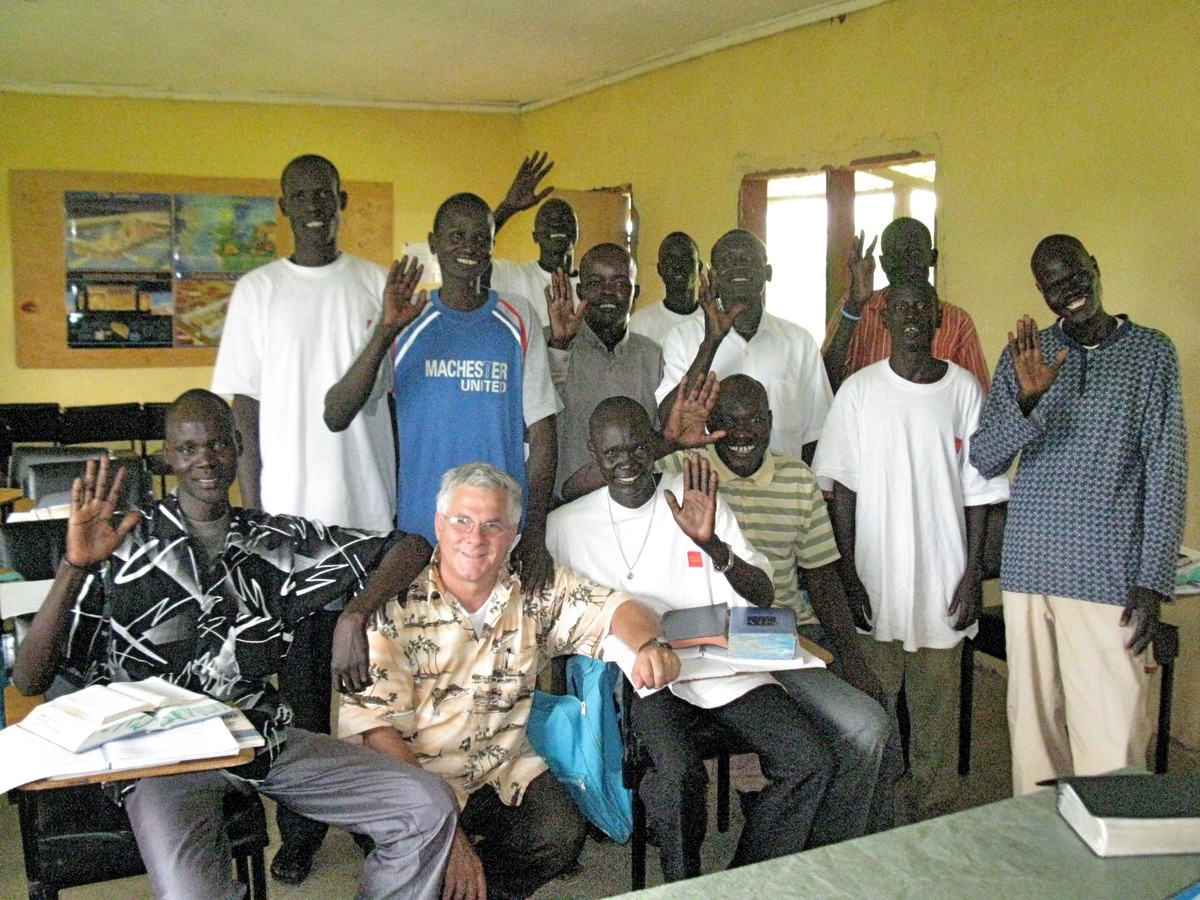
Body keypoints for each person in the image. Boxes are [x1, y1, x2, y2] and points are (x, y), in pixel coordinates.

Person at [11, 390, 457, 900]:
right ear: (168, 456)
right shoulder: (123, 543)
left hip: (254, 735)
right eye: (189, 448)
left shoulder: (277, 541)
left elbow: (410, 547)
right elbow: (29, 679)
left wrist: (354, 613)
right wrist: (74, 567)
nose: (206, 459)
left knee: (426, 804)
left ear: (239, 446)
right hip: (159, 759)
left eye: (219, 444)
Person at [339, 461, 679, 899]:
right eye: (461, 521)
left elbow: (617, 609)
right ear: (439, 525)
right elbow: (378, 735)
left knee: (558, 833)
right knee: (427, 861)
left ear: (514, 535)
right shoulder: (395, 605)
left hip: (497, 766)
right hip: (410, 775)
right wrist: (451, 838)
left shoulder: (531, 589)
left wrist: (650, 644)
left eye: (492, 525)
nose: (475, 538)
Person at [547, 397, 839, 882]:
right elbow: (559, 616)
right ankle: (684, 886)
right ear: (593, 453)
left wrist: (713, 546)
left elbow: (763, 595)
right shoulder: (567, 525)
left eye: (638, 448)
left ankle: (745, 877)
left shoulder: (693, 497)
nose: (626, 463)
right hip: (647, 678)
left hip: (723, 665)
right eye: (612, 453)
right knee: (680, 774)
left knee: (810, 760)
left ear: (656, 444)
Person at [210, 153, 397, 881]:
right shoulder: (257, 292)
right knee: (298, 698)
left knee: (375, 686)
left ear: (342, 200)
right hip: (288, 533)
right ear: (283, 206)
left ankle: (376, 815)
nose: (315, 204)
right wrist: (253, 516)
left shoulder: (375, 283)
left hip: (368, 520)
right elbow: (243, 414)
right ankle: (303, 830)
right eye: (300, 196)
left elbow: (395, 403)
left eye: (325, 193)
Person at [970, 234, 1186, 796]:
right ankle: (1042, 853)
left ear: (1095, 267)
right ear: (1041, 293)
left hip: (1108, 575)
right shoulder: (1027, 355)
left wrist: (1152, 581)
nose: (1069, 292)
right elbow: (986, 455)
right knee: (1034, 735)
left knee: (1112, 738)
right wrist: (1028, 400)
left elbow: (1167, 470)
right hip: (1028, 571)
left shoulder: (1151, 352)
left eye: (1075, 276)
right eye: (1053, 285)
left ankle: (1111, 857)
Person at [660, 374, 898, 834]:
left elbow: (821, 576)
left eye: (755, 421)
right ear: (711, 423)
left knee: (873, 713)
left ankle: (844, 841)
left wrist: (851, 657)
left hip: (785, 635)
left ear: (771, 422)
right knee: (859, 729)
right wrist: (665, 440)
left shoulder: (795, 477)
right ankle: (837, 842)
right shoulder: (683, 468)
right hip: (709, 641)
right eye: (730, 423)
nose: (745, 434)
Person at [813, 277, 1010, 819]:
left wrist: (973, 575)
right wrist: (848, 575)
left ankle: (933, 809)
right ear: (884, 319)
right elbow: (840, 489)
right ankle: (872, 811)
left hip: (944, 583)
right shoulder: (859, 391)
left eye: (924, 307)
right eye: (901, 308)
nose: (913, 316)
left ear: (940, 317)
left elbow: (981, 495)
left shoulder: (965, 390)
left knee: (936, 715)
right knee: (872, 706)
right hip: (876, 583)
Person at [325, 192, 560, 594]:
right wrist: (385, 330)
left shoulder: (518, 318)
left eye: (480, 238)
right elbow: (336, 414)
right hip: (420, 540)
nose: (468, 247)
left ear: (491, 247)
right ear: (434, 243)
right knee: (427, 655)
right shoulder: (406, 321)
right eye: (456, 236)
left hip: (501, 536)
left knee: (501, 654)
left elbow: (542, 433)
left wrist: (535, 532)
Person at [656, 229, 831, 464]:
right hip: (705, 491)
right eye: (728, 261)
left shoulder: (799, 343)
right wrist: (711, 343)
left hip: (781, 491)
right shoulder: (681, 338)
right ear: (713, 275)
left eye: (748, 260)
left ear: (767, 273)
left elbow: (816, 435)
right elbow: (668, 424)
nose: (738, 267)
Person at [545, 242, 662, 498]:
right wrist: (559, 346)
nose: (608, 293)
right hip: (564, 503)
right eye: (596, 283)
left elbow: (657, 437)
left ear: (635, 294)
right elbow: (532, 424)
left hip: (634, 502)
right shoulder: (550, 344)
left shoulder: (651, 355)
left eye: (620, 284)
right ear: (580, 290)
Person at [821, 217, 990, 393]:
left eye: (915, 253)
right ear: (884, 263)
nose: (905, 263)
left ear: (932, 258)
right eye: (895, 255)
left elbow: (980, 397)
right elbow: (824, 382)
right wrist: (854, 306)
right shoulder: (858, 306)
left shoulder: (957, 321)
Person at [488, 152, 578, 327]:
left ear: (577, 232)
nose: (557, 225)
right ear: (535, 236)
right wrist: (507, 208)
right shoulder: (515, 276)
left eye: (565, 220)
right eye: (548, 221)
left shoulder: (591, 283)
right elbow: (475, 254)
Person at [628, 232, 704, 346]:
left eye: (686, 259)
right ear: (660, 269)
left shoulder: (714, 321)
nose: (678, 266)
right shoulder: (640, 324)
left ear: (699, 267)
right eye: (670, 260)